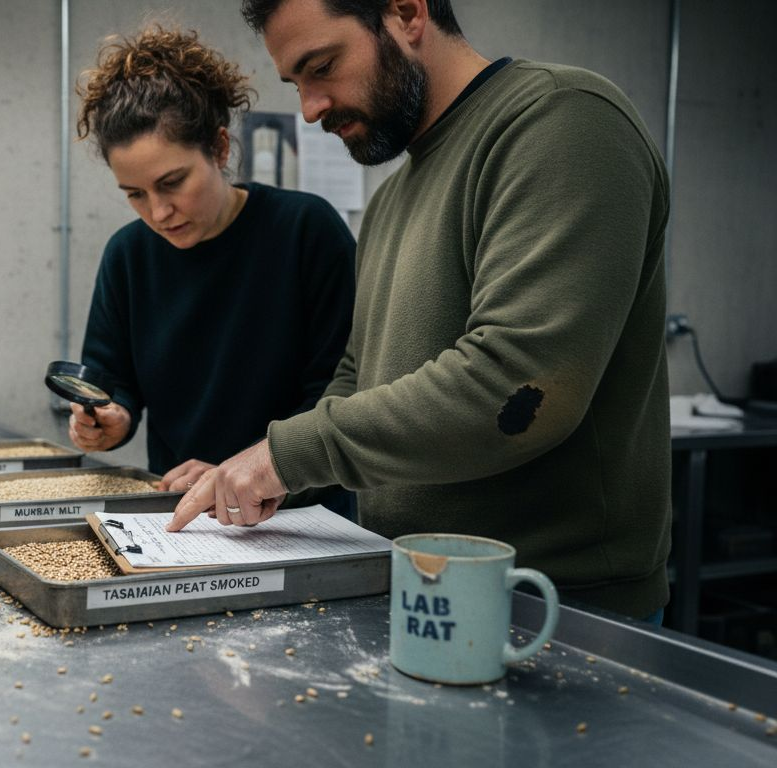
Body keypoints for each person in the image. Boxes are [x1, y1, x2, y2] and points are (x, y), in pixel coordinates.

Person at [169, 0, 672, 622]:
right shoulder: (390, 201)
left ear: (407, 13)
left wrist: (286, 454)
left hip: (555, 606)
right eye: (297, 84)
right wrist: (258, 477)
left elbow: (514, 384)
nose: (311, 108)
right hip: (411, 584)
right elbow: (358, 378)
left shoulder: (561, 122)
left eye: (322, 66)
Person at [69, 26, 357, 500]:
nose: (158, 213)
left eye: (173, 182)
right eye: (135, 195)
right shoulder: (127, 256)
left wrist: (251, 470)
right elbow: (109, 379)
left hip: (305, 513)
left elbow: (339, 394)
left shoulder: (306, 231)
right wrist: (109, 419)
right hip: (179, 512)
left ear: (220, 149)